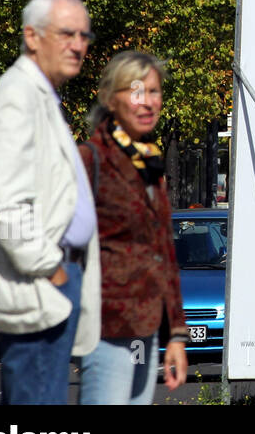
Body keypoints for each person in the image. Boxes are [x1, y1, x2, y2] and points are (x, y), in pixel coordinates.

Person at [0, 0, 101, 403]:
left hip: (51, 279)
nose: (79, 44)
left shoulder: (41, 95)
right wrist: (51, 269)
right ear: (32, 37)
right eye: (66, 33)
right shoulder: (16, 97)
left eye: (84, 35)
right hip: (38, 284)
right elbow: (6, 204)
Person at [78, 50, 189, 404]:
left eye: (154, 92)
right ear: (111, 99)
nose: (148, 102)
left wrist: (176, 334)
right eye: (136, 91)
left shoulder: (150, 164)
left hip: (148, 327)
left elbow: (165, 254)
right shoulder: (90, 159)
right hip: (106, 326)